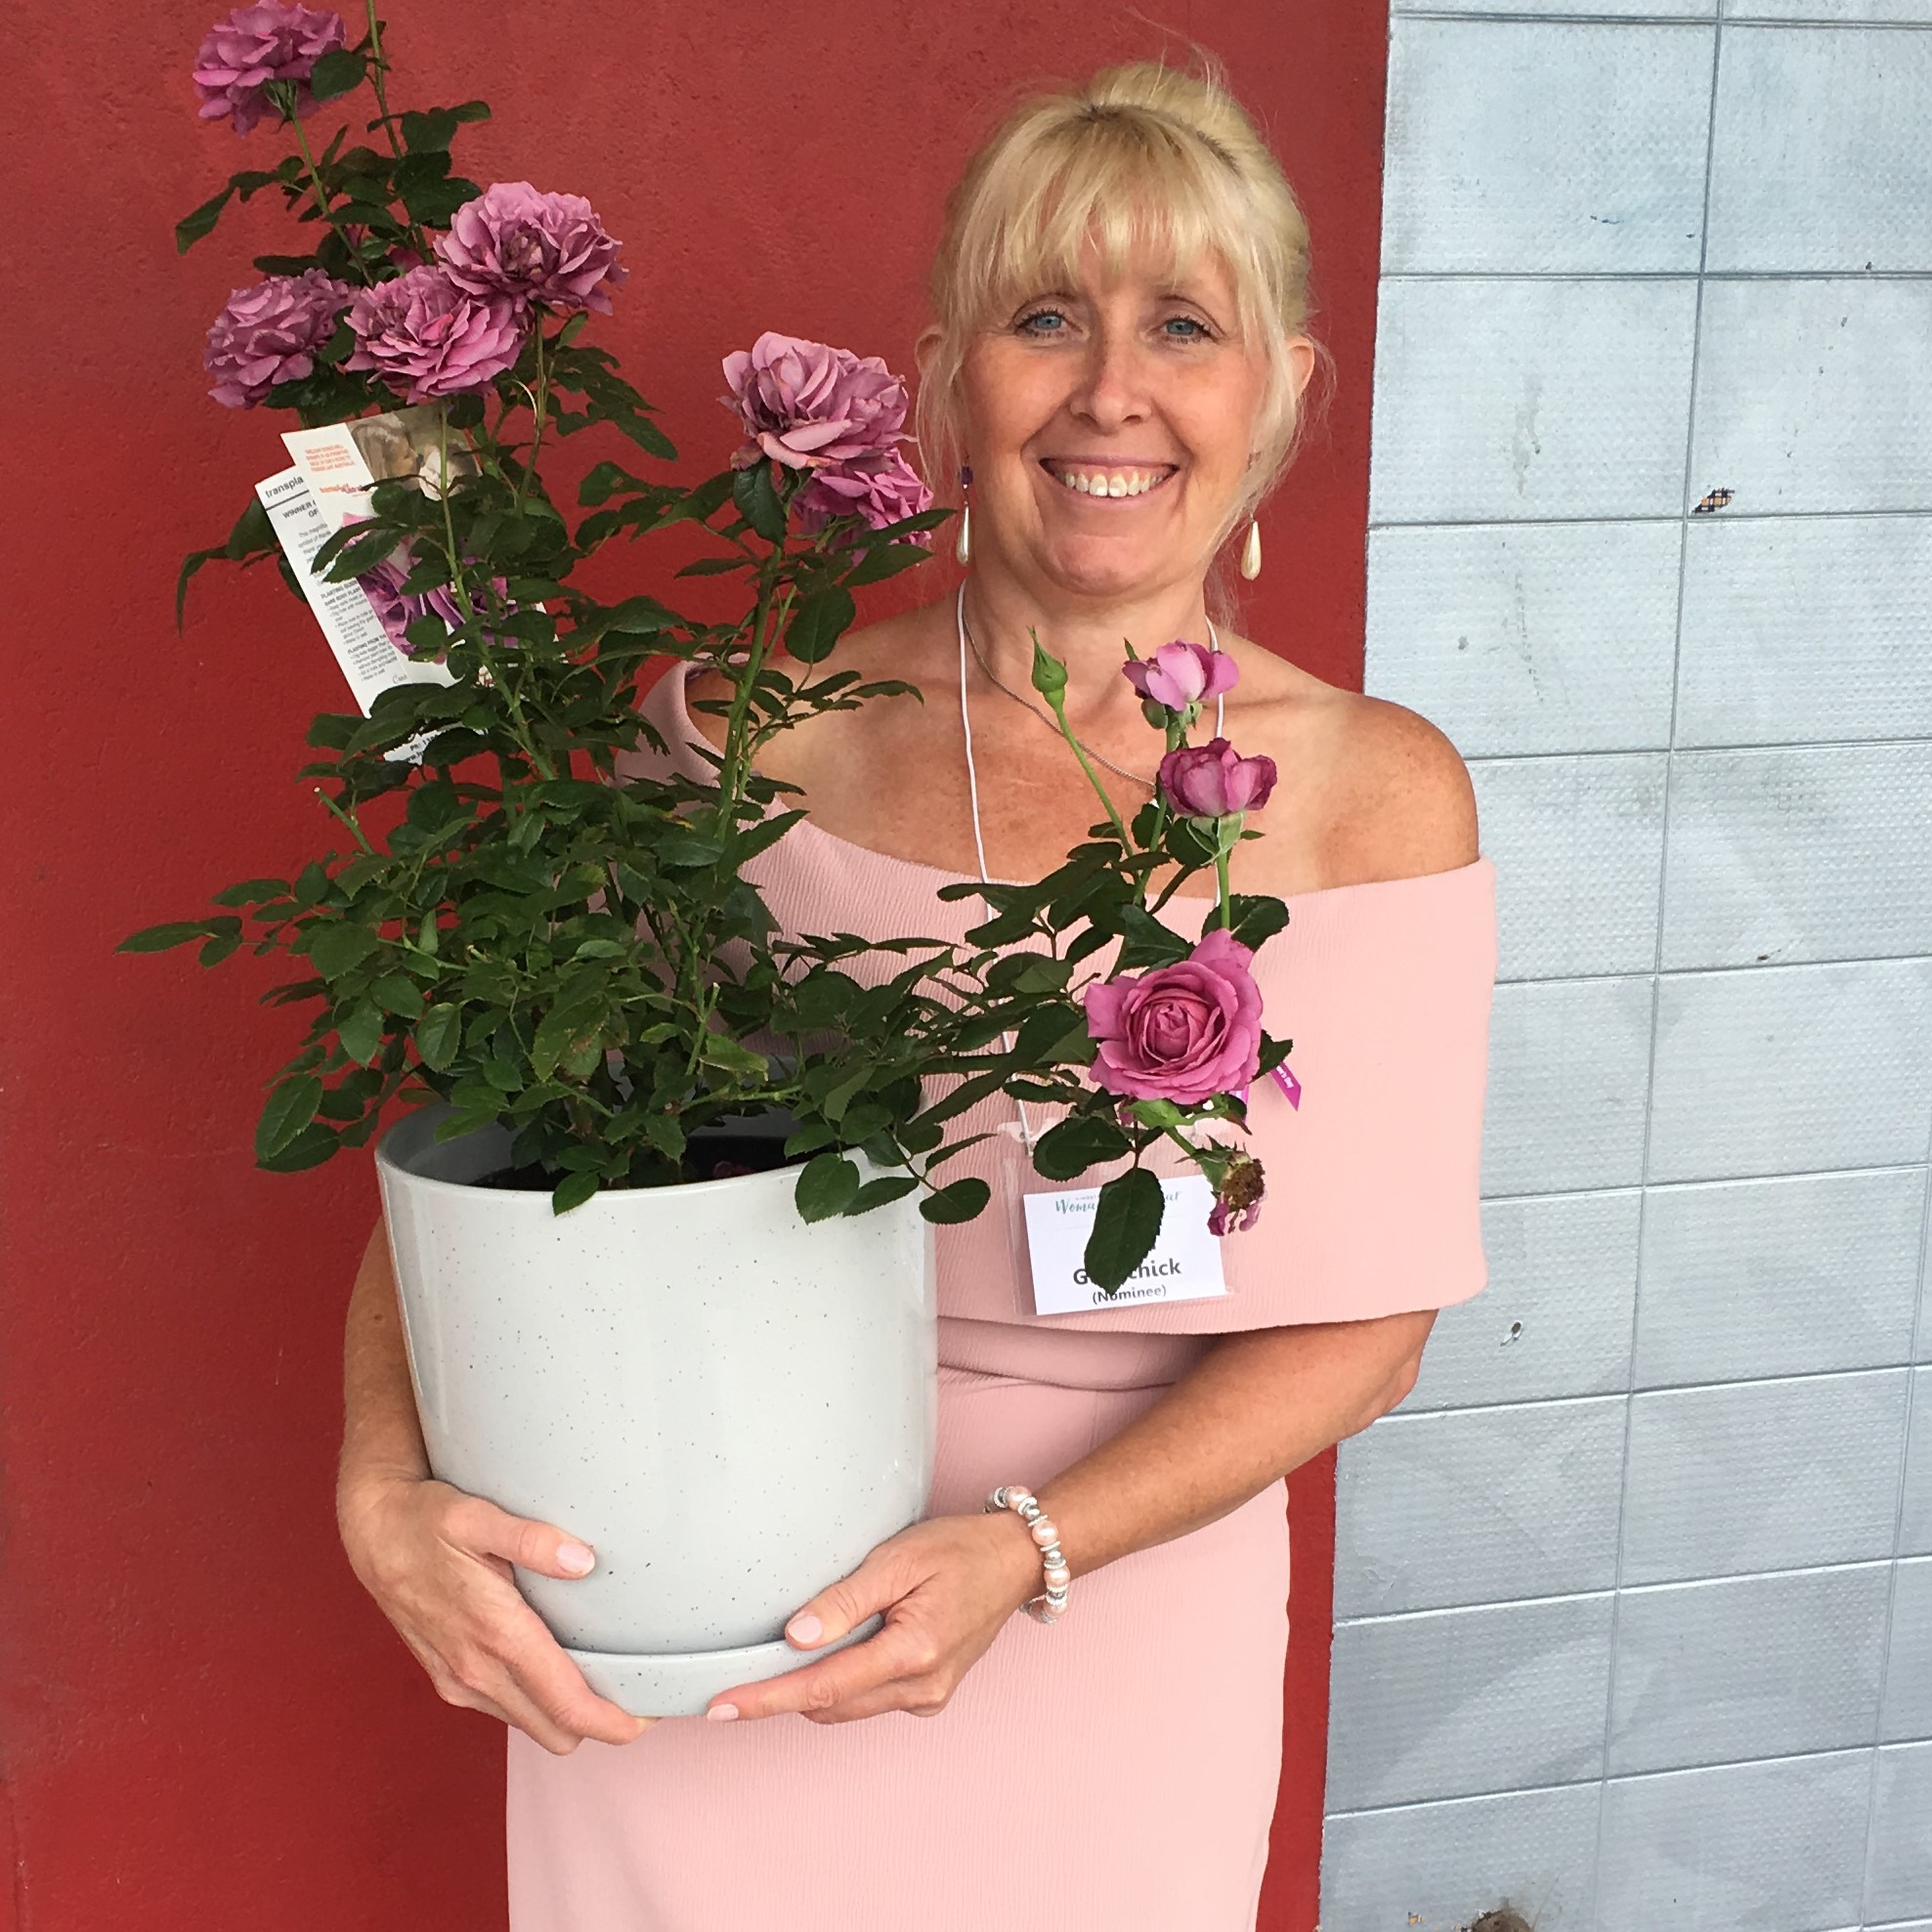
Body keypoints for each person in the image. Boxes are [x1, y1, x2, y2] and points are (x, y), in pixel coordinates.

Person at [335, 56, 1498, 1931]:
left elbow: (1373, 1316)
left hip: (1118, 1625)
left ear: (1285, 387)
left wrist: (1024, 1551)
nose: (1110, 388)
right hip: (690, 1591)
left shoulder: (1374, 790)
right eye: (1047, 316)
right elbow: (500, 1147)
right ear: (953, 374)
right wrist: (381, 1485)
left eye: (1180, 324)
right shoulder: (738, 748)